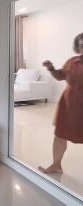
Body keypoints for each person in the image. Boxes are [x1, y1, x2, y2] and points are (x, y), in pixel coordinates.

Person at [39, 33, 83, 174]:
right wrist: (51, 68)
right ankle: (56, 165)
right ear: (78, 47)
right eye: (81, 45)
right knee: (60, 135)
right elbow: (60, 76)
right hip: (69, 105)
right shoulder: (72, 61)